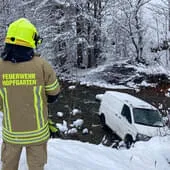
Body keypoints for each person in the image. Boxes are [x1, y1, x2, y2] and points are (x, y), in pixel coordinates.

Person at [0, 18, 60, 170]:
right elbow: (54, 94)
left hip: (11, 133)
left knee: (8, 166)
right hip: (38, 133)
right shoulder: (42, 65)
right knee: (36, 167)